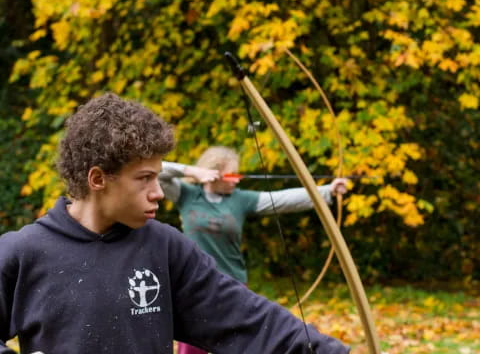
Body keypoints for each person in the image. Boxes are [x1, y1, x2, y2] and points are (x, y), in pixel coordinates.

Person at [0, 93, 350, 354]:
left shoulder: (165, 249)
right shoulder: (22, 252)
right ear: (98, 179)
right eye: (145, 179)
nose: (159, 194)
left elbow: (252, 323)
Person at [159, 147, 348, 354]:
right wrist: (192, 171)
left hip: (231, 282)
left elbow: (282, 200)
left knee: (239, 345)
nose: (237, 180)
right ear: (214, 174)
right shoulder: (186, 194)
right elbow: (157, 170)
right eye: (232, 175)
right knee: (192, 349)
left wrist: (327, 191)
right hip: (194, 284)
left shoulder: (240, 199)